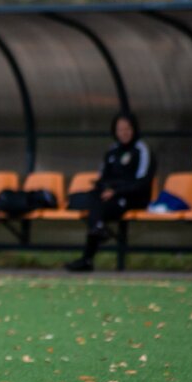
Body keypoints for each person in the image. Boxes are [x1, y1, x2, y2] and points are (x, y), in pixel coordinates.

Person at [64, 112, 155, 272]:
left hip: (132, 198)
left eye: (127, 129)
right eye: (120, 129)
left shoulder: (141, 150)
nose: (124, 133)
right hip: (110, 197)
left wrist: (116, 192)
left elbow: (142, 182)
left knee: (96, 208)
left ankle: (88, 256)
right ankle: (97, 231)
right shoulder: (112, 151)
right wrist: (104, 189)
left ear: (134, 129)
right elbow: (102, 177)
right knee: (93, 199)